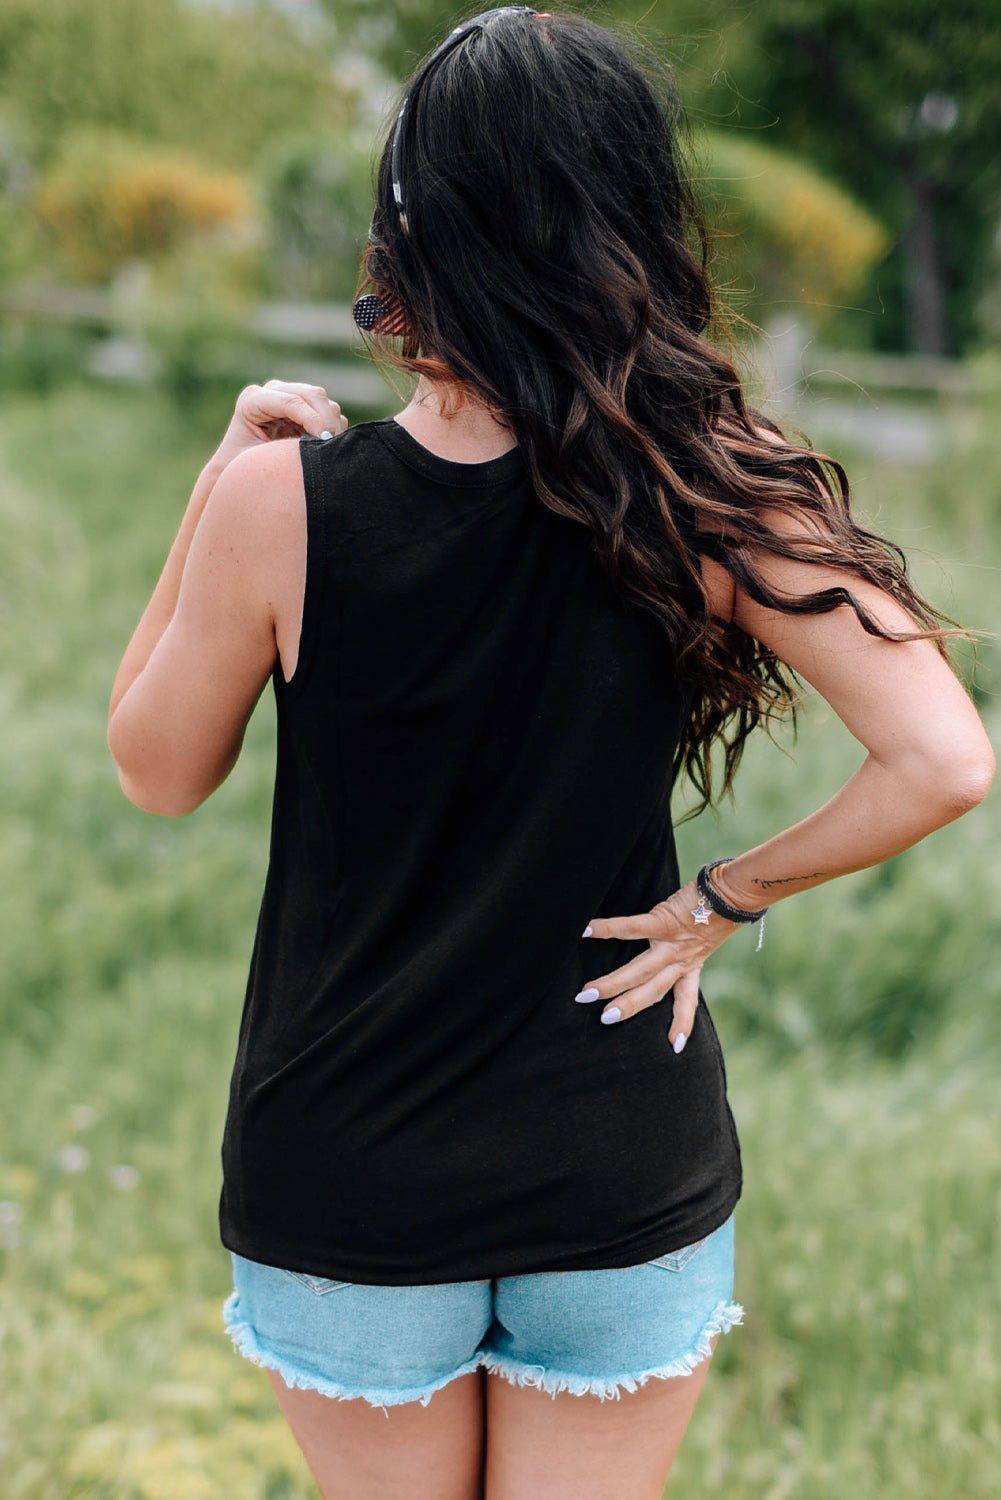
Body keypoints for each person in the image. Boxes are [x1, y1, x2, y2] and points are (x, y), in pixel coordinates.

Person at [107, 8, 994, 1499]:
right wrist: (727, 895)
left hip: (350, 1164)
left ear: (416, 227)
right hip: (615, 1151)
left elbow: (154, 768)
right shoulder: (710, 490)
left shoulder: (285, 506)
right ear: (631, 224)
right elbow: (943, 759)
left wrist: (218, 488)